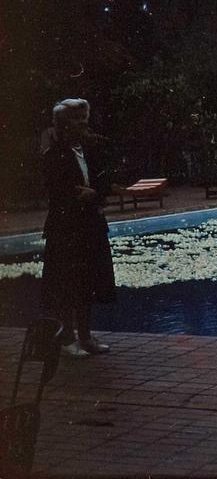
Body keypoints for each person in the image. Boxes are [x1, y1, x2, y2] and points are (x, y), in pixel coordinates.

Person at [41, 98, 115, 358]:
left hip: (90, 228)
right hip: (66, 230)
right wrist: (80, 197)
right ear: (63, 125)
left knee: (87, 284)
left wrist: (94, 194)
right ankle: (67, 338)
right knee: (67, 286)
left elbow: (105, 183)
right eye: (77, 121)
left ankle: (85, 336)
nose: (84, 125)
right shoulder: (54, 156)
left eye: (85, 119)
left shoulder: (91, 152)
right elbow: (58, 192)